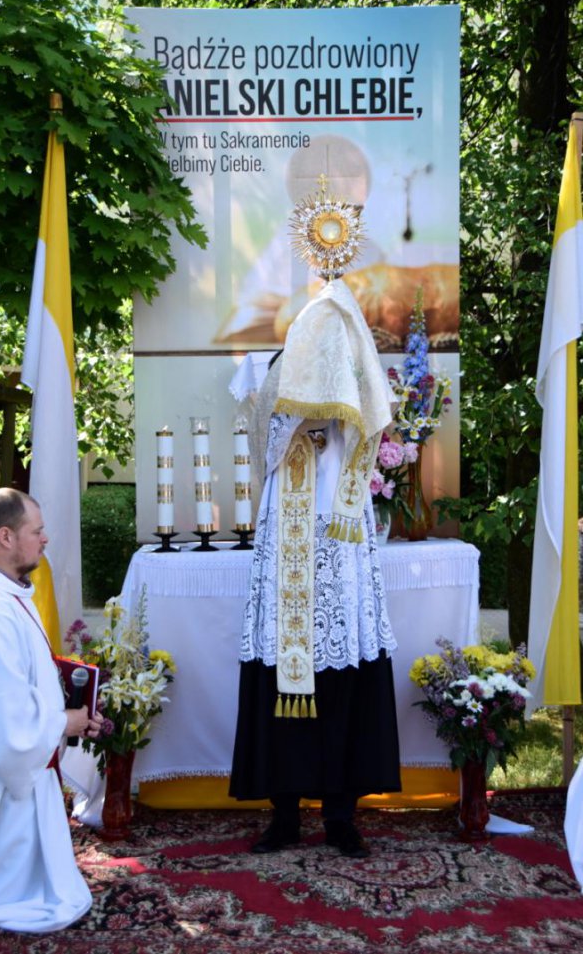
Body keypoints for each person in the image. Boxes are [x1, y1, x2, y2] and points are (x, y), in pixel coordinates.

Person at [229, 276, 402, 858]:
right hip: (290, 549)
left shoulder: (359, 367)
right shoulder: (280, 368)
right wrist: (297, 417)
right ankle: (283, 814)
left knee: (344, 677)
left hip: (341, 544)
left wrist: (344, 412)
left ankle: (340, 815)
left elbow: (374, 426)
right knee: (281, 678)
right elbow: (263, 443)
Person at [0, 487, 102, 932]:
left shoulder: (5, 595)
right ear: (7, 537)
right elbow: (3, 724)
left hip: (7, 776)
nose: (45, 539)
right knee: (5, 895)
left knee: (47, 892)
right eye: (38, 530)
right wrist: (63, 721)